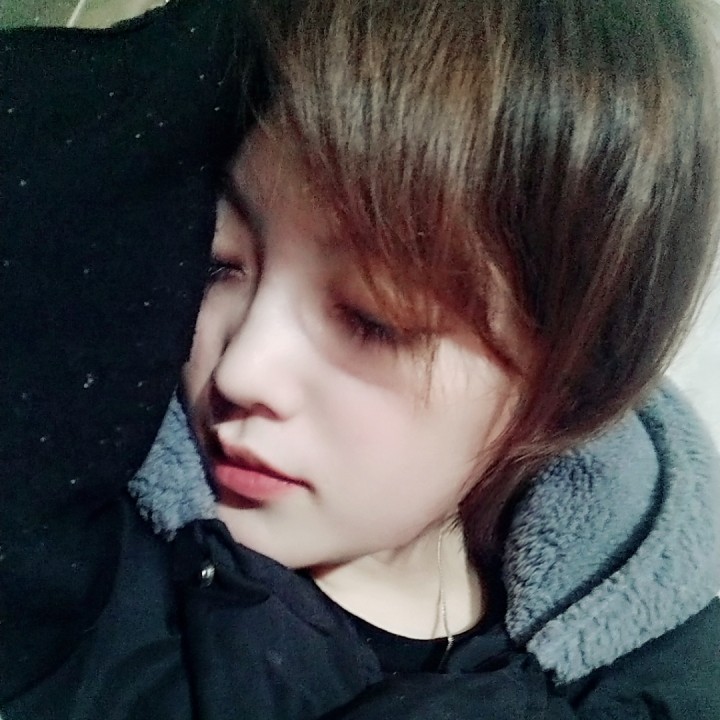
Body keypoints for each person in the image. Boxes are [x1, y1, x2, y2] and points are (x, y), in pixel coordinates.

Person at [3, 0, 720, 718]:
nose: (240, 371)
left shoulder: (657, 678)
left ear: (570, 386)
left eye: (375, 319)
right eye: (216, 261)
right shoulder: (80, 578)